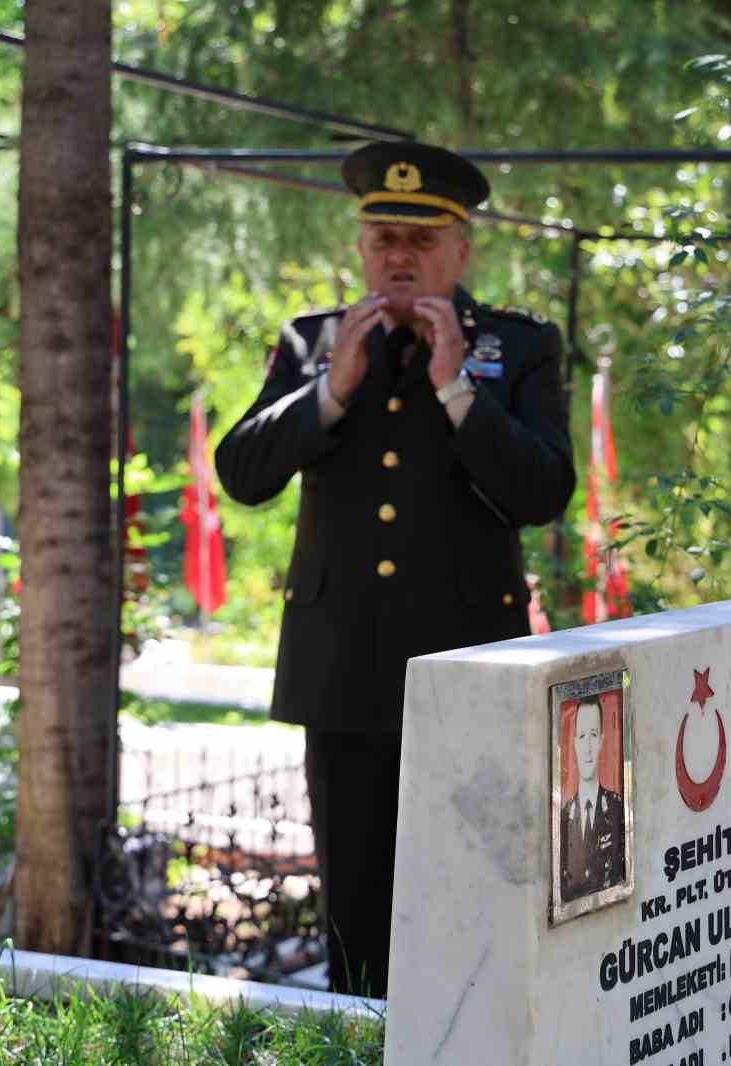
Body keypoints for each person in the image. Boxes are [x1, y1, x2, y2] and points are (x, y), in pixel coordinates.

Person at [215, 141, 576, 996]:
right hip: (341, 671)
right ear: (361, 249)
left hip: (466, 667)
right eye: (383, 240)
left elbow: (544, 491)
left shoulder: (518, 349)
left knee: (465, 902)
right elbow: (243, 472)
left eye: (421, 241)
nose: (400, 257)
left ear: (461, 248)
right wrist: (328, 393)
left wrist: (460, 395)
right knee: (354, 916)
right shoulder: (313, 343)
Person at [559, 695, 626, 903]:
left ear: (602, 741)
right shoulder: (563, 817)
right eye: (581, 736)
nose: (587, 747)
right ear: (574, 744)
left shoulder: (616, 808)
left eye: (593, 735)